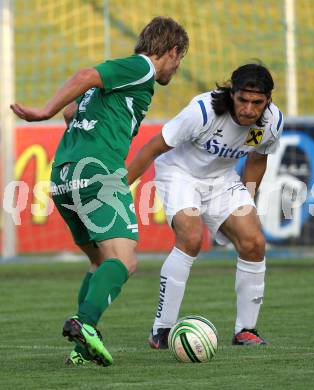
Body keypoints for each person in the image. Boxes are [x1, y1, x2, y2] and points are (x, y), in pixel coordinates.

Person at [10, 16, 189, 366]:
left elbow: (73, 111)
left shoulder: (118, 85)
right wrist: (44, 111)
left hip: (64, 175)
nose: (177, 68)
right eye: (179, 60)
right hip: (98, 171)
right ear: (171, 51)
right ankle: (85, 324)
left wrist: (74, 120)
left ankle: (81, 348)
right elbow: (85, 76)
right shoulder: (142, 67)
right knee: (124, 260)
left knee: (99, 261)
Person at [127, 63, 284, 348]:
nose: (249, 109)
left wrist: (245, 203)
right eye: (243, 100)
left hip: (222, 181)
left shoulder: (271, 122)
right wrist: (121, 187)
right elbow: (153, 147)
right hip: (179, 174)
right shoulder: (202, 111)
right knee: (191, 237)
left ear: (268, 100)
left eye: (257, 102)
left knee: (254, 242)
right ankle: (162, 330)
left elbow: (258, 158)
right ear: (232, 93)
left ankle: (245, 330)